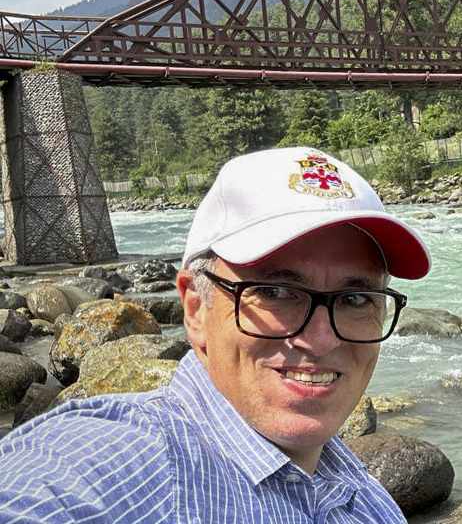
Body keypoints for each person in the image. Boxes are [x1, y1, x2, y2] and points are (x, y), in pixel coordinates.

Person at [0, 147, 431, 523]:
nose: (320, 340)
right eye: (275, 292)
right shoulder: (109, 467)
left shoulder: (362, 496)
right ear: (195, 310)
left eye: (355, 299)